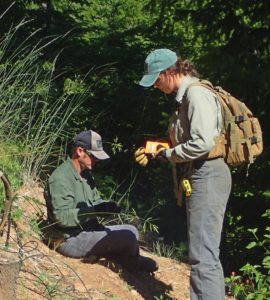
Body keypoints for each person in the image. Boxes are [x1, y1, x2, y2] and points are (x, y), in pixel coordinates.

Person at [135, 49, 232, 300]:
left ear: (171, 72)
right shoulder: (185, 98)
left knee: (203, 255)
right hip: (199, 174)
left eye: (157, 79)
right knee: (203, 253)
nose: (156, 86)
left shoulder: (196, 95)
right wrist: (160, 146)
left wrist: (169, 154)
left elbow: (203, 143)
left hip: (207, 174)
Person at [44, 129, 158, 273]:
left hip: (89, 230)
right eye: (93, 156)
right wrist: (95, 211)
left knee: (132, 230)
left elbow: (96, 200)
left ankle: (117, 256)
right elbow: (62, 218)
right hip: (69, 239)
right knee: (128, 238)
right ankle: (133, 264)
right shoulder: (61, 178)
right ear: (80, 151)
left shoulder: (86, 175)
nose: (96, 160)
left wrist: (107, 207)